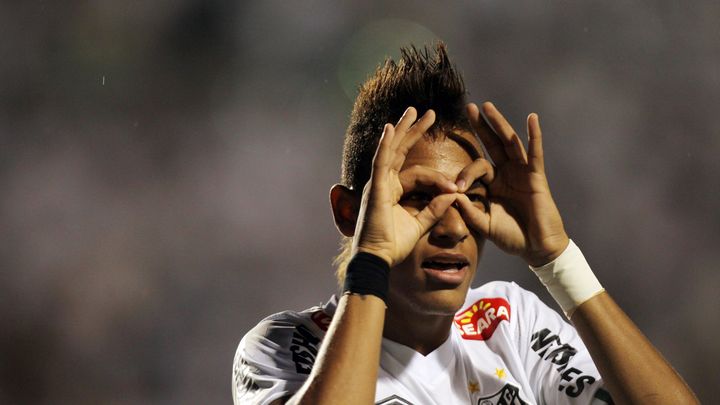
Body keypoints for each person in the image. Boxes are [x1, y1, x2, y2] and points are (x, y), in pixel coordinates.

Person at [232, 43, 698, 405]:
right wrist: (371, 259)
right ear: (350, 213)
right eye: (418, 198)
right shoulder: (283, 345)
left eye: (472, 199)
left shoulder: (506, 321)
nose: (453, 228)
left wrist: (557, 259)